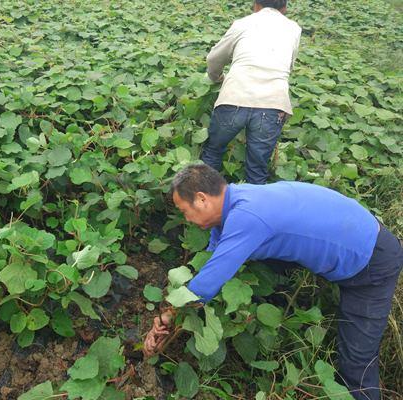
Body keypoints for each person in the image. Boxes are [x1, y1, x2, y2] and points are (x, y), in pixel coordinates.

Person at [144, 164, 403, 400]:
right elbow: (211, 261)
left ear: (201, 198)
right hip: (354, 234)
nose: (186, 219)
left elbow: (207, 283)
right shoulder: (238, 198)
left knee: (356, 361)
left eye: (184, 211)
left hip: (371, 262)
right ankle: (282, 300)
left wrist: (168, 316)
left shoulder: (248, 217)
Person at [201, 0, 302, 184]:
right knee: (257, 169)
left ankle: (203, 204)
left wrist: (217, 77)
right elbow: (289, 65)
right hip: (273, 103)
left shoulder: (242, 23)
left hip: (234, 96)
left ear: (255, 5)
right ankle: (253, 210)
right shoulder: (294, 28)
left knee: (213, 153)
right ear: (285, 8)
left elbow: (214, 58)